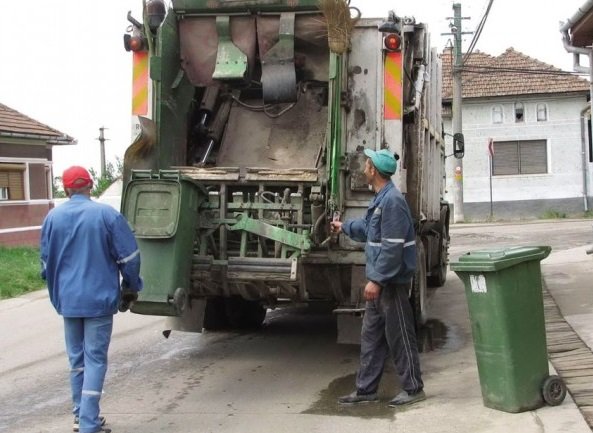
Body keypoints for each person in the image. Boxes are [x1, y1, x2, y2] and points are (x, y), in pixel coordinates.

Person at [40, 166, 143, 433]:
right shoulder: (107, 215)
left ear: (65, 189)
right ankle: (88, 423)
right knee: (95, 359)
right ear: (90, 186)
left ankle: (80, 416)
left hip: (68, 301)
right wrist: (131, 287)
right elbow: (130, 258)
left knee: (77, 360)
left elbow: (45, 263)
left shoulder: (53, 218)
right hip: (99, 301)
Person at [331, 149, 425, 407]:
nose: (363, 168)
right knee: (371, 337)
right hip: (381, 280)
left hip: (391, 284)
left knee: (400, 335)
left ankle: (414, 388)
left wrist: (378, 280)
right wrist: (344, 226)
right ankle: (365, 390)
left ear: (373, 171)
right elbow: (368, 229)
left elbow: (393, 248)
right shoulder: (382, 198)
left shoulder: (392, 201)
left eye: (366, 165)